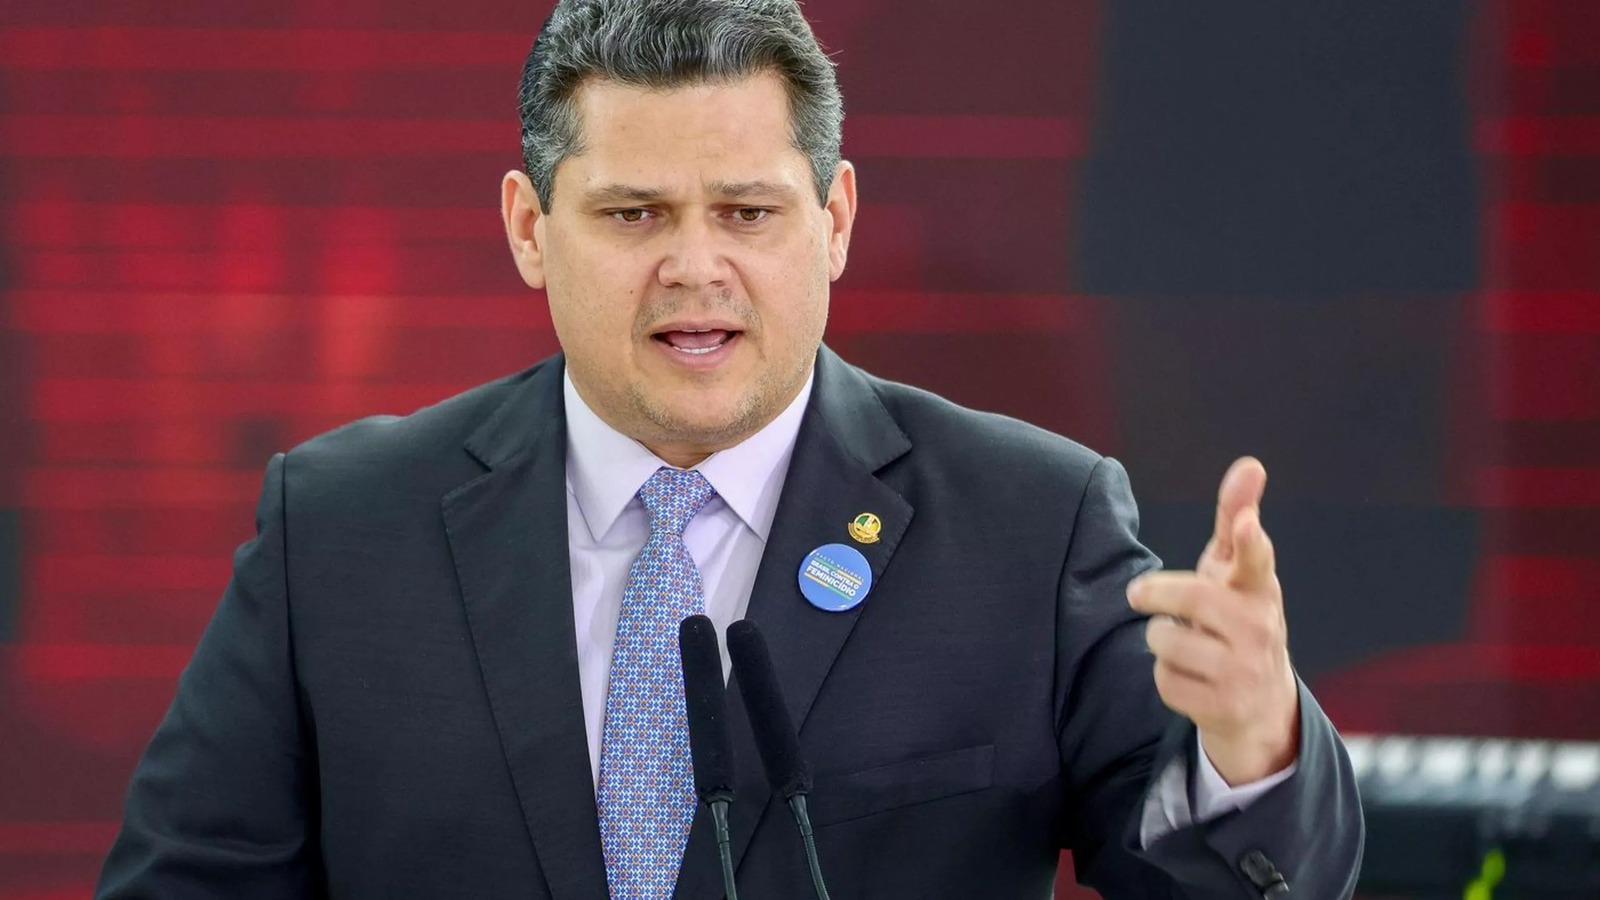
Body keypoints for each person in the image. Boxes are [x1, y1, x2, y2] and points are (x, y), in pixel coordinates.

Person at [97, 0, 1363, 897]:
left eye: (748, 212)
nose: (694, 267)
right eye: (633, 214)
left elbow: (1230, 887)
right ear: (530, 228)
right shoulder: (339, 530)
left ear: (835, 220)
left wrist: (1251, 747)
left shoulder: (1029, 524)